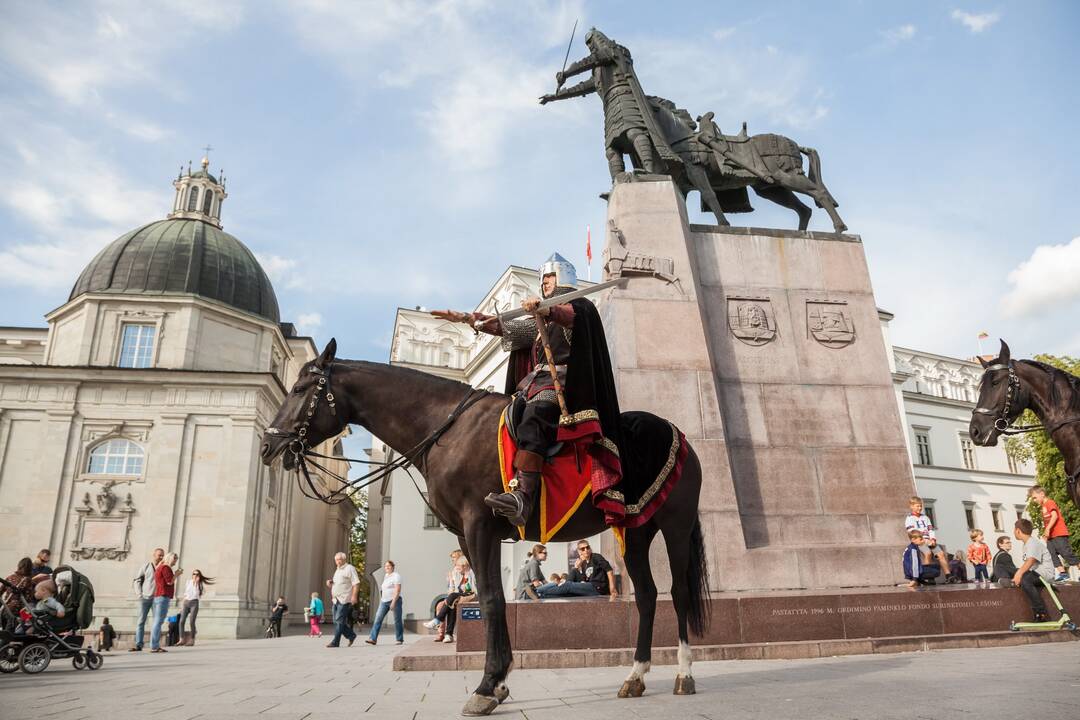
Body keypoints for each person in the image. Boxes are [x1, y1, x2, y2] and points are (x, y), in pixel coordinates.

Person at [432, 254, 623, 528]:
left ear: (563, 278)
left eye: (550, 278)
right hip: (532, 384)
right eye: (543, 279)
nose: (545, 283)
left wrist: (547, 310)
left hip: (564, 386)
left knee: (535, 417)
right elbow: (506, 327)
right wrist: (468, 319)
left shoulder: (579, 306)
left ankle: (524, 496)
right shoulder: (539, 319)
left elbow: (569, 318)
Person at [1030, 485, 1079, 581]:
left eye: (1035, 498)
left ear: (1042, 494)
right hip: (1051, 537)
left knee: (1066, 553)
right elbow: (1047, 521)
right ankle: (1063, 573)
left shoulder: (1049, 503)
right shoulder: (1043, 507)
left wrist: (1048, 529)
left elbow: (1054, 516)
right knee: (1050, 553)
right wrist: (1045, 535)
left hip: (1059, 533)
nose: (1034, 500)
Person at [1012, 519, 1057, 622]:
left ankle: (1040, 613)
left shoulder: (1032, 543)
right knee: (1013, 571)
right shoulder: (1027, 544)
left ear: (1018, 531)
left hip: (1045, 574)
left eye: (1014, 530)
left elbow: (1030, 560)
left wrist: (1019, 573)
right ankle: (1010, 580)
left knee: (1025, 579)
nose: (1013, 532)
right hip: (1035, 573)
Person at [904, 497, 952, 581]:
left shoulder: (925, 518)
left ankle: (948, 576)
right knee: (928, 553)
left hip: (929, 540)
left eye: (920, 506)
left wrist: (932, 539)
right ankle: (926, 576)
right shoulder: (909, 518)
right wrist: (921, 539)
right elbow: (912, 532)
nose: (920, 508)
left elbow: (930, 529)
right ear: (911, 506)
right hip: (919, 541)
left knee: (940, 554)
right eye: (917, 506)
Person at [430, 557, 476, 644]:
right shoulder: (461, 574)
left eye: (459, 567)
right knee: (452, 603)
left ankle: (438, 621)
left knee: (452, 597)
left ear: (465, 566)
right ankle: (448, 635)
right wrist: (451, 579)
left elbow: (472, 590)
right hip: (461, 596)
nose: (457, 569)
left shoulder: (471, 574)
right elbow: (454, 588)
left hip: (471, 595)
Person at [129, 547, 164, 652]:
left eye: (163, 555)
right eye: (159, 555)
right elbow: (137, 580)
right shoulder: (146, 566)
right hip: (145, 598)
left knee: (157, 622)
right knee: (141, 621)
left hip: (157, 599)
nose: (161, 557)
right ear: (154, 555)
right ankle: (139, 644)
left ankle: (155, 645)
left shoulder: (163, 568)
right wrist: (139, 594)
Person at [423, 549, 463, 636]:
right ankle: (443, 633)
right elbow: (451, 588)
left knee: (446, 606)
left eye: (454, 557)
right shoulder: (454, 570)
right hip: (453, 595)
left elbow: (459, 587)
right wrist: (450, 580)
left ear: (460, 557)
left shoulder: (460, 569)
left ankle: (443, 631)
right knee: (442, 605)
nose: (452, 559)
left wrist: (451, 580)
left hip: (459, 595)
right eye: (452, 558)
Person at [326, 551, 360, 648]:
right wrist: (330, 583)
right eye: (336, 560)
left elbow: (356, 583)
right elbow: (339, 583)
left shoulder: (349, 568)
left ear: (344, 559)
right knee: (336, 621)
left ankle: (335, 642)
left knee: (339, 621)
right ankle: (351, 635)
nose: (338, 561)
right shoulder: (338, 570)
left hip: (344, 599)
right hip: (335, 599)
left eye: (339, 559)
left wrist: (354, 596)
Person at [366, 561, 403, 646]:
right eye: (386, 566)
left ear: (393, 567)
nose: (387, 567)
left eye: (389, 566)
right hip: (384, 601)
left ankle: (399, 639)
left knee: (397, 620)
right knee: (378, 618)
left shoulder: (396, 576)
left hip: (395, 600)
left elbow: (397, 590)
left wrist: (393, 602)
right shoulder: (386, 576)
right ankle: (373, 638)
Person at [149, 552, 178, 653]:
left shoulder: (159, 567)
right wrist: (177, 575)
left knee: (156, 621)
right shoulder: (166, 568)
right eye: (175, 559)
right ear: (170, 559)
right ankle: (154, 646)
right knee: (158, 622)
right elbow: (169, 582)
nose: (175, 562)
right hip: (163, 596)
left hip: (158, 596)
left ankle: (154, 645)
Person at [178, 569, 213, 646]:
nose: (195, 575)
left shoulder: (200, 585)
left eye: (197, 574)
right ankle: (181, 639)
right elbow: (185, 594)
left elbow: (199, 594)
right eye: (194, 574)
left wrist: (196, 583)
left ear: (199, 576)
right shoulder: (188, 582)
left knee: (191, 621)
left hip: (194, 603)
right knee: (181, 621)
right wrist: (182, 605)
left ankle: (192, 640)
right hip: (186, 602)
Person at [2, 557, 34, 623]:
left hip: (6, 608)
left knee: (3, 629)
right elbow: (28, 599)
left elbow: (1, 591)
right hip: (19, 611)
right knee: (19, 629)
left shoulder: (10, 577)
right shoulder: (28, 580)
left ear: (19, 565)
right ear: (30, 568)